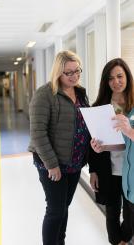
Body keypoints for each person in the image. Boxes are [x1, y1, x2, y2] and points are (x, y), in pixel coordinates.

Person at [28, 50, 90, 245]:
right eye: (68, 73)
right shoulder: (45, 94)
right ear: (58, 72)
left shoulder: (80, 92)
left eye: (77, 71)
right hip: (52, 163)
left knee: (64, 207)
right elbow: (38, 133)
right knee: (55, 210)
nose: (74, 76)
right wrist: (52, 165)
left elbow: (84, 124)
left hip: (74, 162)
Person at [89, 58, 134, 245]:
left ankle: (123, 238)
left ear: (127, 77)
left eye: (120, 76)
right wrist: (93, 169)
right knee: (112, 213)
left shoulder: (133, 106)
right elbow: (92, 143)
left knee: (132, 215)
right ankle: (117, 242)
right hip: (109, 170)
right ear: (105, 82)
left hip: (130, 172)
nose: (116, 82)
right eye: (110, 78)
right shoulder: (99, 107)